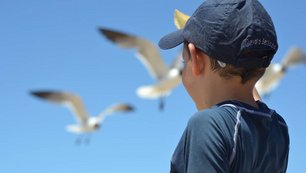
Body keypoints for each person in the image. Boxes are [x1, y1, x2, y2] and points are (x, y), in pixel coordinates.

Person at [158, 0, 290, 172]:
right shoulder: (277, 127)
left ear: (196, 59)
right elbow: (251, 99)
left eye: (184, 62)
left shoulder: (208, 125)